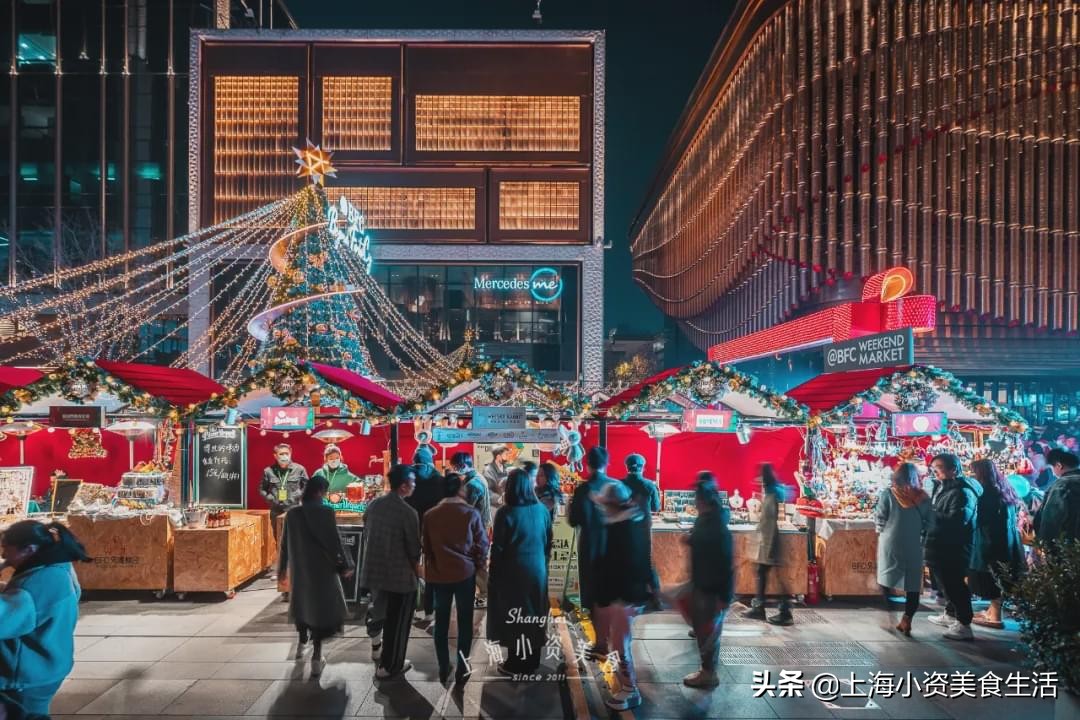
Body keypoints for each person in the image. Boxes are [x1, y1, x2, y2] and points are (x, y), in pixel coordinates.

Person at [0, 521, 89, 717]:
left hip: (26, 673)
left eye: (7, 550)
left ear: (29, 549)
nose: (4, 556)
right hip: (48, 664)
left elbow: (5, 618)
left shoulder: (33, 585)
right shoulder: (58, 567)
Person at [279, 475, 354, 677]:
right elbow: (334, 542)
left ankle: (301, 646)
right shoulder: (326, 512)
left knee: (302, 606)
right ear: (320, 492)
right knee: (320, 611)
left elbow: (284, 544)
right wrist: (345, 565)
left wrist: (281, 570)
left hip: (301, 570)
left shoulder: (292, 515)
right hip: (322, 571)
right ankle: (317, 657)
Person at [591, 474, 653, 710]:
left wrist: (605, 596)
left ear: (612, 504)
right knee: (619, 642)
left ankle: (630, 690)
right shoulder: (632, 520)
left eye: (605, 504)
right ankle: (626, 685)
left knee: (620, 643)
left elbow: (618, 566)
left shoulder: (622, 528)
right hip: (626, 593)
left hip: (624, 595)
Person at [421, 473, 488, 684]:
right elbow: (482, 544)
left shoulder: (430, 515)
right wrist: (478, 565)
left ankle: (443, 666)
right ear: (461, 490)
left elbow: (426, 547)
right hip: (465, 574)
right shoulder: (471, 513)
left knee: (440, 623)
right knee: (465, 622)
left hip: (439, 575)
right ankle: (462, 667)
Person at [487, 468, 553, 677]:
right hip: (538, 569)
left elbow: (498, 547)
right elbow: (548, 541)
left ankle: (516, 663)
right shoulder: (542, 510)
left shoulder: (506, 513)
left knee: (516, 615)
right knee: (534, 613)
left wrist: (493, 574)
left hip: (513, 571)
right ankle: (532, 660)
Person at [674, 472, 734, 689]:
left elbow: (725, 562)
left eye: (697, 500)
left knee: (708, 633)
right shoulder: (707, 520)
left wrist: (725, 596)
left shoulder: (716, 527)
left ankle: (708, 674)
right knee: (704, 630)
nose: (695, 503)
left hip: (711, 588)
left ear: (703, 501)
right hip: (702, 584)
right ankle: (707, 671)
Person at [360, 464, 421, 679]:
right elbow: (414, 549)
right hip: (399, 575)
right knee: (398, 621)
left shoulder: (374, 505)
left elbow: (366, 526)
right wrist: (418, 574)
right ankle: (390, 665)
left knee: (378, 610)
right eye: (412, 482)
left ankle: (377, 647)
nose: (414, 485)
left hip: (375, 571)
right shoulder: (408, 512)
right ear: (404, 486)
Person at [925, 453, 981, 641]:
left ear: (953, 470)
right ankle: (951, 614)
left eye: (938, 468)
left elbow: (957, 520)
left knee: (954, 584)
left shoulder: (962, 492)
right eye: (933, 468)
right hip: (939, 544)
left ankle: (964, 624)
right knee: (946, 584)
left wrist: (930, 517)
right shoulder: (944, 488)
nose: (935, 472)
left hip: (953, 547)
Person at [874, 463, 931, 636]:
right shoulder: (922, 497)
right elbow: (930, 522)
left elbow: (880, 517)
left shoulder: (888, 494)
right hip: (914, 543)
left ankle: (890, 615)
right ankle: (907, 619)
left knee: (885, 579)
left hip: (890, 541)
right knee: (913, 584)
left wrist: (880, 531)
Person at [968, 459, 1025, 629]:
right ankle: (993, 611)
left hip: (989, 541)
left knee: (990, 576)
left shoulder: (985, 493)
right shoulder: (1005, 490)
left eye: (973, 473)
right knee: (1001, 575)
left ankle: (994, 617)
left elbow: (980, 520)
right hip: (1007, 542)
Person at [742, 463, 794, 626]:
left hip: (769, 543)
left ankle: (782, 611)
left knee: (773, 576)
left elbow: (768, 524)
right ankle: (764, 608)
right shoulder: (772, 494)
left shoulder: (771, 497)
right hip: (768, 542)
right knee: (765, 574)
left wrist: (766, 548)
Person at [569, 446, 612, 619]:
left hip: (588, 544)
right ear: (606, 463)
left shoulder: (582, 490)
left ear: (587, 465)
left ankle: (596, 633)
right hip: (611, 544)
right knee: (608, 586)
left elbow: (573, 521)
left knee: (589, 585)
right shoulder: (615, 486)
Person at [407, 446, 447, 623]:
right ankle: (431, 611)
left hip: (412, 529)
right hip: (434, 530)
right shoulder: (439, 479)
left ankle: (413, 608)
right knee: (433, 571)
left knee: (411, 569)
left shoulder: (409, 478)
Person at [451, 451, 492, 609]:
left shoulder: (473, 485)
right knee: (479, 562)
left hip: (476, 530)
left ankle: (484, 595)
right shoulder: (478, 478)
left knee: (477, 563)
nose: (454, 469)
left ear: (462, 465)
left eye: (455, 466)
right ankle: (483, 593)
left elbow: (465, 510)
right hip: (482, 527)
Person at [621, 454, 662, 598]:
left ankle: (629, 594)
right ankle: (655, 596)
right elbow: (656, 507)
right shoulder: (650, 485)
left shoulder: (620, 485)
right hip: (643, 529)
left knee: (625, 559)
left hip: (624, 528)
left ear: (626, 467)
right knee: (645, 562)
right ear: (643, 467)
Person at [260, 443, 309, 542]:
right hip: (276, 511)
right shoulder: (268, 471)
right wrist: (271, 499)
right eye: (281, 454)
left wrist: (296, 496)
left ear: (290, 454)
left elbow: (307, 486)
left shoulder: (299, 469)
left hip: (295, 510)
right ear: (275, 455)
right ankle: (282, 557)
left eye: (286, 453)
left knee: (296, 540)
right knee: (279, 540)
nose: (284, 456)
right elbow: (262, 489)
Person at [1034, 448, 1080, 549]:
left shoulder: (1062, 485)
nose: (1053, 472)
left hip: (1068, 546)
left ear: (1059, 466)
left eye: (1052, 468)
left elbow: (1051, 519)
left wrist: (1046, 545)